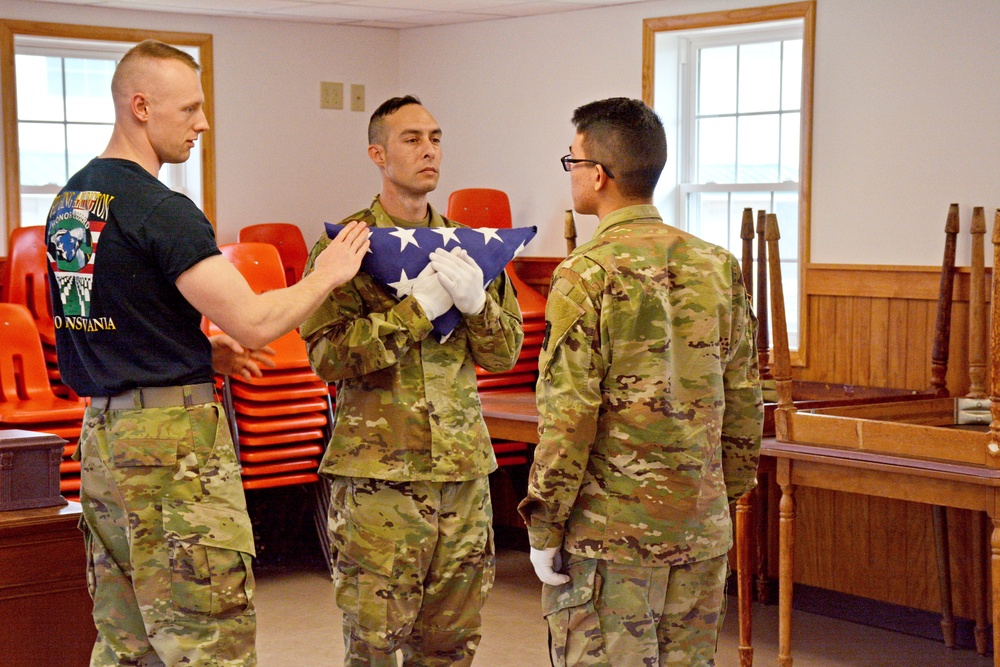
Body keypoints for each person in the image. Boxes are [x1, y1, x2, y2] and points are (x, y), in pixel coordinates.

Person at [45, 39, 370, 666]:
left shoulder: (73, 201)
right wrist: (326, 274)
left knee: (126, 637)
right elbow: (253, 322)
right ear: (141, 106)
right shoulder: (160, 209)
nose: (203, 123)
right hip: (171, 444)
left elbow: (104, 315)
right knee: (204, 634)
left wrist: (195, 351)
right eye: (190, 108)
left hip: (104, 437)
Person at [517, 97, 763, 667]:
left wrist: (545, 524)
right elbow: (745, 398)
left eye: (572, 161)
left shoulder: (586, 272)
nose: (572, 173)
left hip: (611, 538)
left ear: (597, 176)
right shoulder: (717, 264)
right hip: (700, 528)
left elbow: (569, 418)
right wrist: (718, 500)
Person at [299, 95, 524, 666]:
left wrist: (478, 307)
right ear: (377, 153)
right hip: (379, 477)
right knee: (374, 643)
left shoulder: (469, 249)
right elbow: (327, 357)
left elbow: (505, 354)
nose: (429, 149)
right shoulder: (345, 247)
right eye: (411, 138)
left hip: (461, 471)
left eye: (436, 137)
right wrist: (414, 311)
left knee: (452, 644)